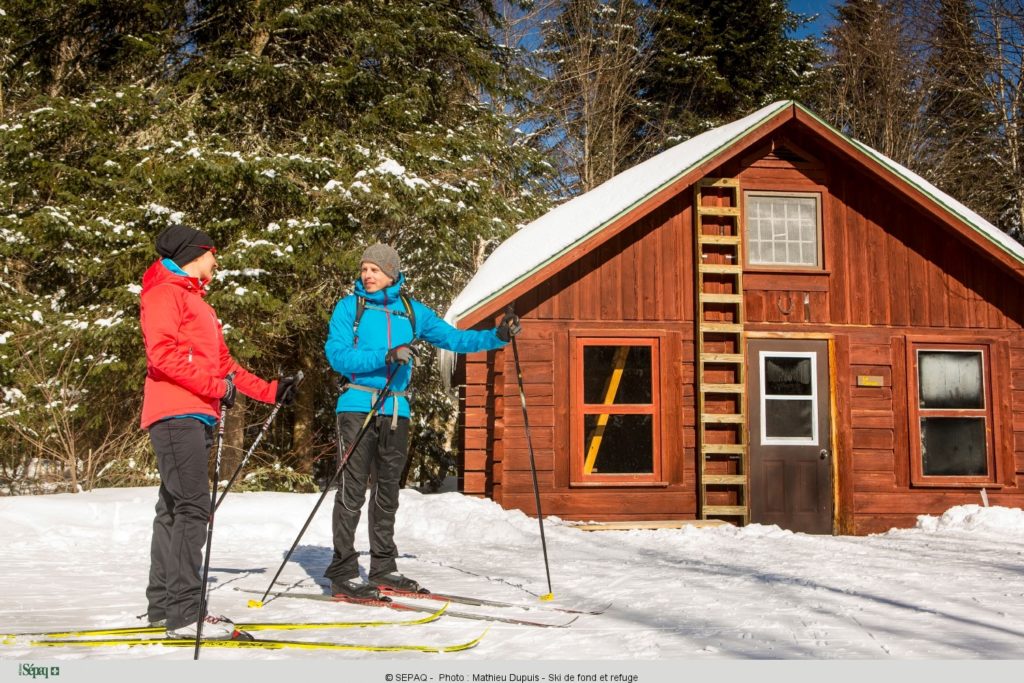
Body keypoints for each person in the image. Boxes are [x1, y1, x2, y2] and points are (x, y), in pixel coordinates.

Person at [324, 243, 520, 599]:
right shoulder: (349, 308)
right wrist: (385, 355)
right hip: (356, 405)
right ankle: (343, 571)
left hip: (397, 411)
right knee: (352, 491)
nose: (367, 275)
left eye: (375, 269)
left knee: (388, 493)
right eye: (364, 268)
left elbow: (455, 338)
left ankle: (383, 567)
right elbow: (337, 355)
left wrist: (498, 336)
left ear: (392, 273)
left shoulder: (412, 312)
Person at [139, 224, 299, 639]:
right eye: (212, 254)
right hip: (176, 413)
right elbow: (161, 357)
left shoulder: (197, 303)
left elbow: (224, 366)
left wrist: (271, 392)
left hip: (195, 413)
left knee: (174, 509)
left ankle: (163, 605)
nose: (216, 261)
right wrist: (216, 389)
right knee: (193, 507)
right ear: (195, 253)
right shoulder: (164, 294)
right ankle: (184, 613)